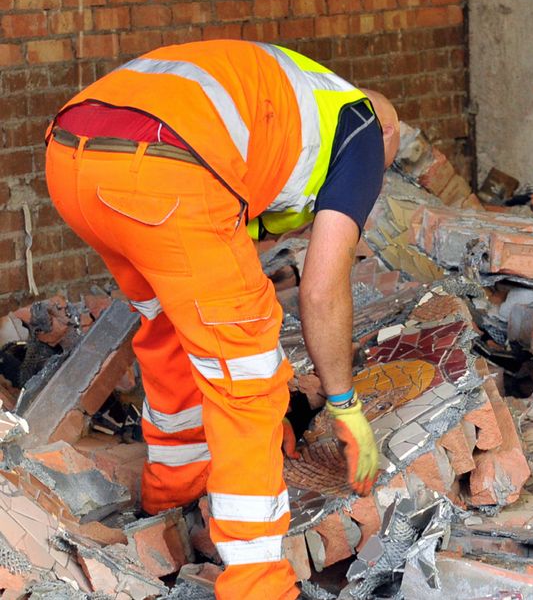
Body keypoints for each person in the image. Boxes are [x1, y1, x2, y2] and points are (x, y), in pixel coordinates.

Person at [44, 39, 401, 599]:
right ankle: (260, 586)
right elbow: (323, 288)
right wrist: (344, 408)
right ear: (387, 139)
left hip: (71, 157)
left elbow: (235, 242)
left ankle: (171, 495)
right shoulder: (362, 133)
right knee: (250, 378)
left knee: (169, 329)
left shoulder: (287, 98)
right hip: (166, 170)